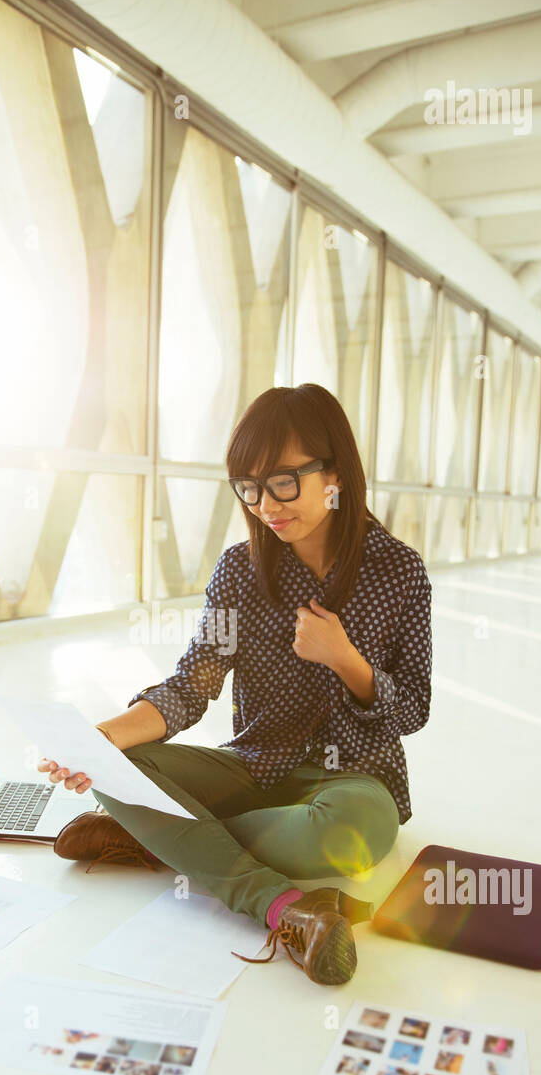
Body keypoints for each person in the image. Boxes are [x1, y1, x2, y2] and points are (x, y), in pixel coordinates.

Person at [40, 384, 432, 987]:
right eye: (247, 488)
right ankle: (283, 907)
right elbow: (192, 685)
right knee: (119, 775)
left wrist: (346, 659)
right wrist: (100, 740)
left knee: (348, 838)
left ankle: (162, 837)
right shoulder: (238, 572)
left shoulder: (400, 572)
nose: (264, 504)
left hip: (356, 779)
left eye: (282, 481)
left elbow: (413, 710)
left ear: (336, 472)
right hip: (253, 769)